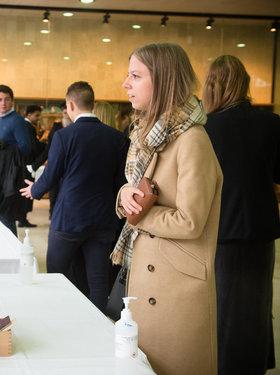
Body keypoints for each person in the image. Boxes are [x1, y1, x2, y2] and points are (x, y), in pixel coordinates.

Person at [113, 42, 222, 375]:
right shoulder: (151, 137)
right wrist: (124, 195)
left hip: (176, 290)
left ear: (161, 81)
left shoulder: (191, 140)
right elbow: (140, 191)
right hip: (150, 281)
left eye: (135, 76)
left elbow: (190, 221)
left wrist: (141, 212)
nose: (125, 84)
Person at [203, 55, 280, 375]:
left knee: (223, 312)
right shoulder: (271, 123)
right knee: (257, 306)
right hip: (261, 231)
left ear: (212, 86)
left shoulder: (206, 127)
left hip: (220, 231)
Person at [20, 81, 127, 313]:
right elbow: (121, 183)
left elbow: (51, 176)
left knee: (56, 275)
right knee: (98, 282)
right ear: (93, 104)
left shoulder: (63, 136)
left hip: (69, 220)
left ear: (70, 105)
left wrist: (34, 191)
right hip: (102, 219)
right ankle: (98, 328)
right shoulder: (116, 138)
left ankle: (59, 318)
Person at [0, 85, 31, 234]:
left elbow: (26, 148)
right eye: (0, 99)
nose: (3, 103)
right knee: (1, 216)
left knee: (6, 216)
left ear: (12, 101)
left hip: (11, 176)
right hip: (0, 173)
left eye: (7, 99)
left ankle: (13, 254)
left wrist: (2, 150)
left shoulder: (17, 120)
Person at [31, 102, 72, 219]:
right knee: (54, 191)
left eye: (66, 111)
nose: (65, 114)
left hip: (69, 166)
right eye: (63, 112)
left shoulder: (75, 126)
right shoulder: (56, 127)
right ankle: (52, 214)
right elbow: (50, 148)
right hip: (56, 163)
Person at [18, 105, 45, 228]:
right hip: (27, 163)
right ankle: (22, 218)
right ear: (29, 115)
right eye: (36, 115)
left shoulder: (26, 126)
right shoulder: (28, 127)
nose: (38, 118)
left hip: (24, 162)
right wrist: (45, 146)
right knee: (26, 189)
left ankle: (22, 217)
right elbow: (34, 146)